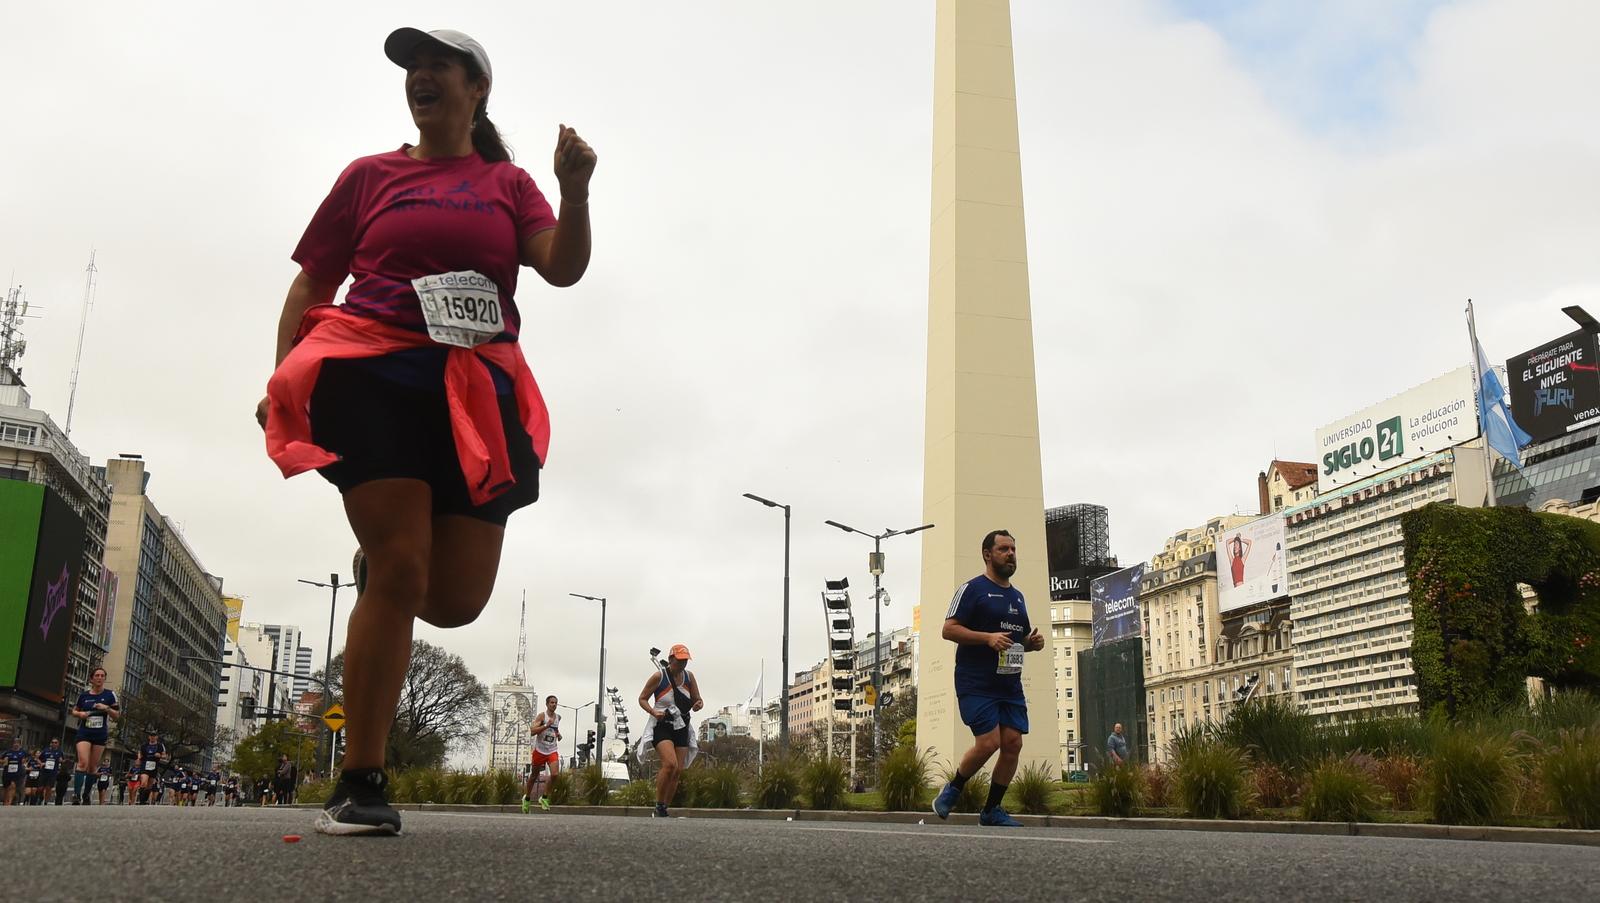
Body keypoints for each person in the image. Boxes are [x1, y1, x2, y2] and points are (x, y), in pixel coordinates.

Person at [257, 26, 595, 838]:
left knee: (453, 599)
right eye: (413, 67)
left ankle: (381, 565)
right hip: (373, 370)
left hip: (475, 388)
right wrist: (279, 380)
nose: (421, 76)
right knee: (405, 569)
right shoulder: (369, 176)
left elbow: (562, 265)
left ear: (477, 89)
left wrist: (575, 191)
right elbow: (312, 281)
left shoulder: (509, 184)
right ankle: (361, 779)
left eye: (438, 65)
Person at [931, 530, 1045, 828]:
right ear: (987, 554)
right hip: (975, 682)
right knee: (989, 742)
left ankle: (992, 810)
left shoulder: (1018, 597)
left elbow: (1017, 640)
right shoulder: (972, 589)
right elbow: (948, 629)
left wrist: (1030, 644)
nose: (1011, 554)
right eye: (1004, 549)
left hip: (1008, 684)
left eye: (1013, 549)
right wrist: (987, 638)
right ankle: (953, 788)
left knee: (1013, 743)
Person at [637, 644, 703, 819]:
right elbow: (642, 698)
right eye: (680, 661)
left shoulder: (689, 677)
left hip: (681, 726)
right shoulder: (659, 677)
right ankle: (658, 803)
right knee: (670, 764)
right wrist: (653, 711)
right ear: (671, 659)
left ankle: (664, 807)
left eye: (685, 661)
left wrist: (698, 704)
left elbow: (697, 700)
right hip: (663, 724)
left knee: (678, 770)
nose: (682, 665)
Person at [70, 666, 120, 804]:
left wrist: (107, 708)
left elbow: (117, 716)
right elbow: (74, 711)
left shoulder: (110, 695)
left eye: (102, 676)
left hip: (99, 734)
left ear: (105, 678)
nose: (99, 678)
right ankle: (76, 795)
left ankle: (86, 794)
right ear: (91, 679)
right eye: (97, 675)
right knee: (82, 763)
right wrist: (80, 714)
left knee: (92, 767)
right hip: (84, 732)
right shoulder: (84, 695)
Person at [523, 694, 562, 813]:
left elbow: (555, 729)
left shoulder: (558, 717)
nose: (554, 704)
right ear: (547, 704)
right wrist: (546, 725)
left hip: (552, 750)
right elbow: (532, 731)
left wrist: (558, 734)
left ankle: (544, 798)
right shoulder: (542, 716)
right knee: (534, 776)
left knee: (555, 774)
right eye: (551, 702)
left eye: (555, 703)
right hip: (540, 750)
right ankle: (527, 798)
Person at [135, 729, 168, 804]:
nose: (152, 737)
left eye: (154, 736)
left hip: (154, 766)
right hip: (145, 765)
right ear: (149, 737)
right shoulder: (144, 745)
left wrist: (160, 755)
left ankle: (144, 800)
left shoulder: (160, 746)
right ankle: (141, 801)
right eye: (151, 736)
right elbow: (140, 753)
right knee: (143, 782)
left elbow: (164, 755)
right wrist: (138, 758)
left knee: (149, 786)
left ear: (157, 737)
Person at [39, 738, 65, 803]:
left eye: (55, 742)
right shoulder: (46, 750)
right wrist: (41, 763)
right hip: (44, 772)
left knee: (49, 787)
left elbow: (62, 760)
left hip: (53, 773)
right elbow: (39, 759)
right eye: (52, 742)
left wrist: (61, 761)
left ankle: (46, 801)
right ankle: (41, 797)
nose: (54, 744)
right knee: (41, 788)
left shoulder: (59, 752)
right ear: (50, 743)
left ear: (58, 744)